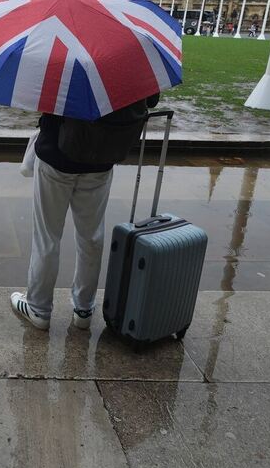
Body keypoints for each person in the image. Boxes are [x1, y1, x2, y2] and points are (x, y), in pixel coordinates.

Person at [11, 94, 159, 331]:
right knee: (91, 237)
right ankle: (84, 309)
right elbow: (151, 100)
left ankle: (38, 308)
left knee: (47, 237)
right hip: (102, 158)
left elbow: (42, 98)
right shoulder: (131, 63)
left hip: (56, 156)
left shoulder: (64, 58)